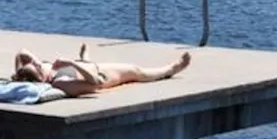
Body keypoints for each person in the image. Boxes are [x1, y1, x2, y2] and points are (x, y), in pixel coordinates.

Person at [12, 42, 191, 97]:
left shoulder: (43, 70)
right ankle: (170, 70)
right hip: (102, 75)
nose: (37, 63)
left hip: (86, 68)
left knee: (86, 63)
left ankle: (84, 58)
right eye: (36, 66)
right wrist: (71, 63)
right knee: (136, 71)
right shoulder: (61, 83)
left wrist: (21, 71)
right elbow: (95, 83)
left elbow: (22, 52)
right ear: (41, 78)